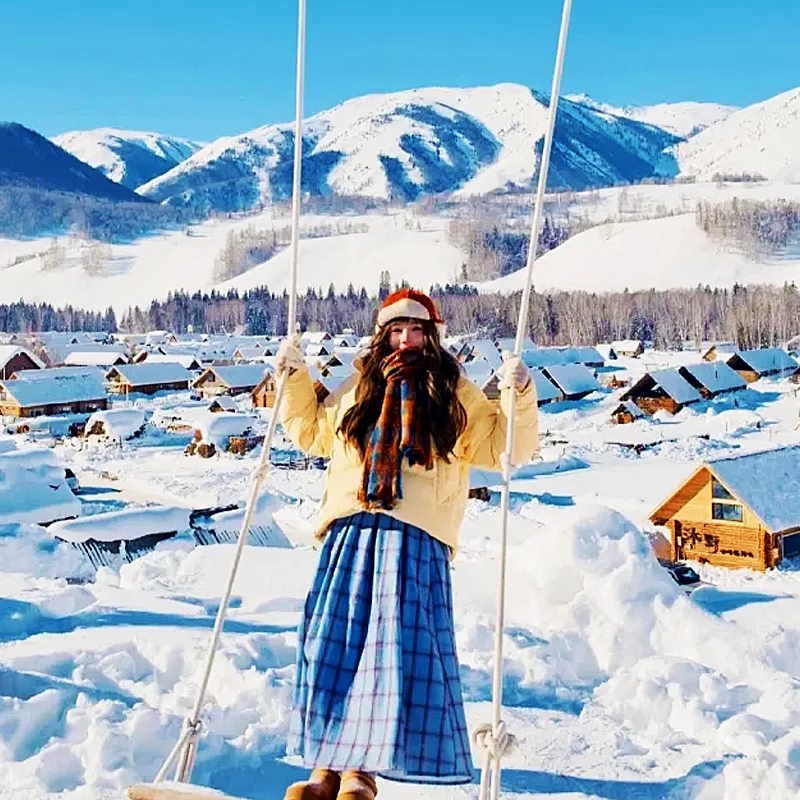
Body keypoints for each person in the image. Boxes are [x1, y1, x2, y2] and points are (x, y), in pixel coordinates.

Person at [276, 289, 539, 800]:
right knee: (336, 648)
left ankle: (360, 776)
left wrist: (519, 396)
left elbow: (505, 448)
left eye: (416, 330)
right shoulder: (359, 387)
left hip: (416, 537)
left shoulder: (454, 392)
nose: (406, 339)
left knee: (389, 655)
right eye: (396, 330)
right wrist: (293, 379)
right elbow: (312, 433)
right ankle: (323, 772)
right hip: (351, 528)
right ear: (382, 336)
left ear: (432, 336)